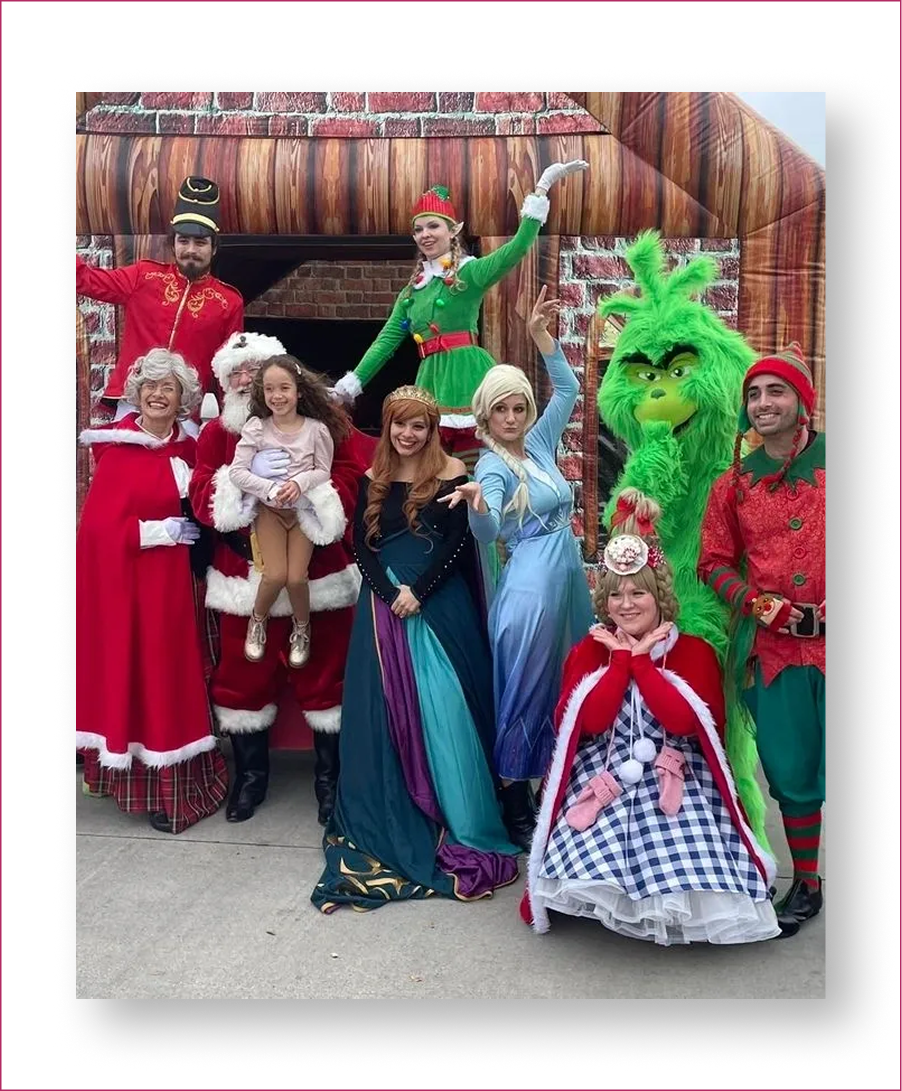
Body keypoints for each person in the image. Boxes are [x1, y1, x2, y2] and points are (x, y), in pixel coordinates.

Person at [521, 489, 783, 945]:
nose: (627, 604)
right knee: (588, 845)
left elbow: (684, 723)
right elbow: (590, 723)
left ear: (659, 595)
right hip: (605, 772)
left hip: (678, 774)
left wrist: (643, 664)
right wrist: (619, 662)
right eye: (616, 595)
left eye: (638, 592)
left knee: (690, 851)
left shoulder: (695, 652)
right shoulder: (589, 651)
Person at [311, 385, 520, 913]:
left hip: (439, 605)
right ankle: (392, 812)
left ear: (431, 430)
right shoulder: (372, 477)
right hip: (383, 609)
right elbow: (361, 547)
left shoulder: (453, 473)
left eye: (418, 426)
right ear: (388, 427)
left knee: (447, 711)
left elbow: (457, 544)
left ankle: (457, 813)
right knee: (383, 716)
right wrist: (389, 594)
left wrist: (418, 592)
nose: (408, 434)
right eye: (399, 425)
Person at [189, 332, 374, 826]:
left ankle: (330, 783)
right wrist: (243, 490)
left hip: (319, 575)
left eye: (255, 370)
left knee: (327, 678)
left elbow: (350, 476)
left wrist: (311, 494)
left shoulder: (325, 424)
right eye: (236, 373)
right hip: (243, 578)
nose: (246, 380)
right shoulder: (219, 435)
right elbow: (201, 490)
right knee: (242, 682)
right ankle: (251, 779)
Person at [441, 288, 594, 848]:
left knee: (567, 679)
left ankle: (556, 784)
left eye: (519, 408)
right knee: (526, 689)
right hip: (530, 589)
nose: (511, 418)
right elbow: (487, 536)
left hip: (566, 579)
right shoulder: (492, 466)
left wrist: (541, 339)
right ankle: (514, 798)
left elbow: (570, 390)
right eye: (500, 409)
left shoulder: (541, 444)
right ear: (484, 415)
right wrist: (479, 506)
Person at [332, 162, 588, 469]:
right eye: (418, 229)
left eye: (433, 226)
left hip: (468, 376)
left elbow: (517, 249)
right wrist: (348, 386)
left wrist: (542, 188)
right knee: (432, 465)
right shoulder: (411, 292)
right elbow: (384, 343)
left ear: (453, 230)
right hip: (431, 380)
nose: (425, 234)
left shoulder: (469, 274)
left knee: (475, 463)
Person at [699, 343, 825, 932]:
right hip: (772, 653)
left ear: (803, 402)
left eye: (776, 391)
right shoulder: (733, 484)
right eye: (753, 394)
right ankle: (807, 881)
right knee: (790, 769)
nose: (762, 403)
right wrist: (759, 604)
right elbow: (712, 561)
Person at [76, 349, 227, 834]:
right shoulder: (118, 448)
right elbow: (96, 532)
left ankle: (179, 788)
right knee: (140, 674)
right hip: (134, 589)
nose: (158, 395)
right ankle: (137, 786)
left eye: (169, 388)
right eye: (149, 386)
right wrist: (155, 531)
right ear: (136, 393)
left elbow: (214, 508)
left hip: (183, 587)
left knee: (176, 679)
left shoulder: (194, 448)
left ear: (183, 398)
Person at [75, 176, 244, 417]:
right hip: (134, 403)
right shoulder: (143, 276)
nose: (191, 250)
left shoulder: (229, 301)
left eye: (200, 242)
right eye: (183, 240)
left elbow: (230, 368)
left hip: (188, 411)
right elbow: (86, 280)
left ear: (214, 247)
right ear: (173, 244)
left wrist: (228, 422)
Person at [228, 356, 344, 670]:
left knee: (296, 578)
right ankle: (257, 619)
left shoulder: (316, 430)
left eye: (284, 388)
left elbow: (323, 470)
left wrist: (299, 482)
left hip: (303, 513)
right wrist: (267, 487)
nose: (277, 396)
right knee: (275, 574)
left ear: (299, 391)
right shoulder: (257, 427)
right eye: (269, 389)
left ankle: (302, 629)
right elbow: (237, 472)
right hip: (270, 513)